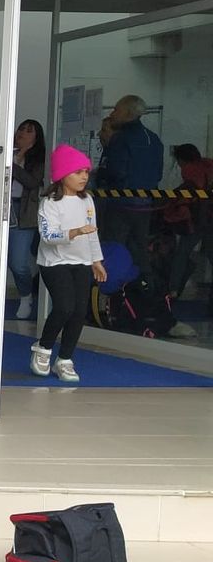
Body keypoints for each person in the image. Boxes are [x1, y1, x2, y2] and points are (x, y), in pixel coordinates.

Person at [32, 145, 106, 384]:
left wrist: (96, 260)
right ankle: (43, 349)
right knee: (64, 306)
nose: (84, 176)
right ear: (63, 175)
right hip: (55, 262)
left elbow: (93, 233)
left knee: (78, 312)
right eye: (78, 172)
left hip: (82, 262)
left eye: (86, 171)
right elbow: (48, 236)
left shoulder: (87, 201)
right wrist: (74, 232)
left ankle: (64, 359)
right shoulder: (50, 203)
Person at [96, 94, 165, 273]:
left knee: (114, 250)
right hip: (145, 206)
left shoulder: (121, 139)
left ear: (128, 113)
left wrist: (101, 179)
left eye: (116, 109)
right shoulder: (154, 139)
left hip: (121, 203)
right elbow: (158, 173)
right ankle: (144, 292)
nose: (112, 113)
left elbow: (115, 171)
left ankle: (113, 294)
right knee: (140, 251)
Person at [10, 120, 47, 320]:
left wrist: (15, 162)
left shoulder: (38, 159)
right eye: (21, 128)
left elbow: (32, 182)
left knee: (18, 262)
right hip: (4, 208)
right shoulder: (6, 151)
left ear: (36, 137)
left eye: (29, 131)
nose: (22, 132)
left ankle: (26, 296)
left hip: (24, 213)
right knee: (4, 259)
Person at [169, 143, 213, 303]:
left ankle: (173, 291)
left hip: (198, 219)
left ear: (182, 159)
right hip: (210, 218)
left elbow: (187, 194)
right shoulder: (208, 165)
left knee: (181, 254)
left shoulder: (189, 170)